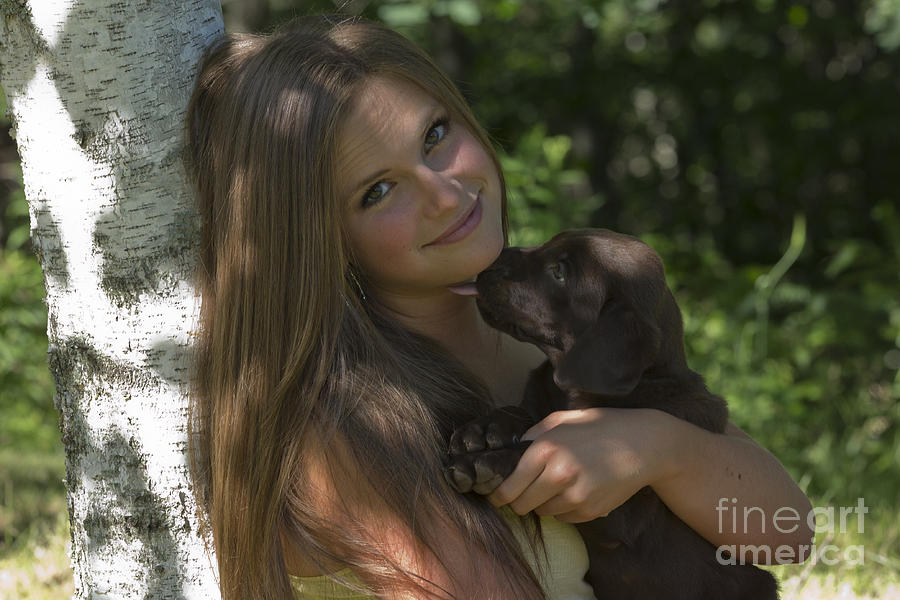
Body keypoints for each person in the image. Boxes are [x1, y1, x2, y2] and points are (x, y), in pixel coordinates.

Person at [185, 14, 813, 600]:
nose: (444, 193)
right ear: (317, 242)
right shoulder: (352, 422)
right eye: (377, 191)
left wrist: (658, 447)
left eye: (435, 135)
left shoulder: (557, 334)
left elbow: (787, 532)